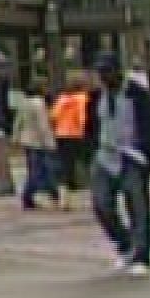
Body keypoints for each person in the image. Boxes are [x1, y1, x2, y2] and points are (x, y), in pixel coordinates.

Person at [82, 52, 150, 278]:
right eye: (100, 73)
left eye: (108, 72)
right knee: (102, 205)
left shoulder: (137, 95)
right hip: (104, 155)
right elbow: (91, 128)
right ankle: (125, 243)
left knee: (138, 207)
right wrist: (87, 153)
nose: (104, 77)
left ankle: (141, 256)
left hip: (132, 156)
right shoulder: (95, 98)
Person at [11, 80, 58, 211]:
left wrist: (15, 138)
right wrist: (50, 143)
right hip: (38, 142)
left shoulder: (24, 103)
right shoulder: (39, 104)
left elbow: (18, 122)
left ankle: (33, 196)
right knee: (40, 170)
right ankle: (30, 195)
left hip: (27, 141)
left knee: (34, 169)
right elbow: (43, 126)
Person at [50, 78, 90, 210]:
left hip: (61, 134)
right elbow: (82, 117)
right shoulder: (82, 99)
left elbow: (53, 115)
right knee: (81, 162)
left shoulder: (62, 99)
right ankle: (80, 188)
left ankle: (64, 196)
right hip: (76, 134)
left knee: (65, 164)